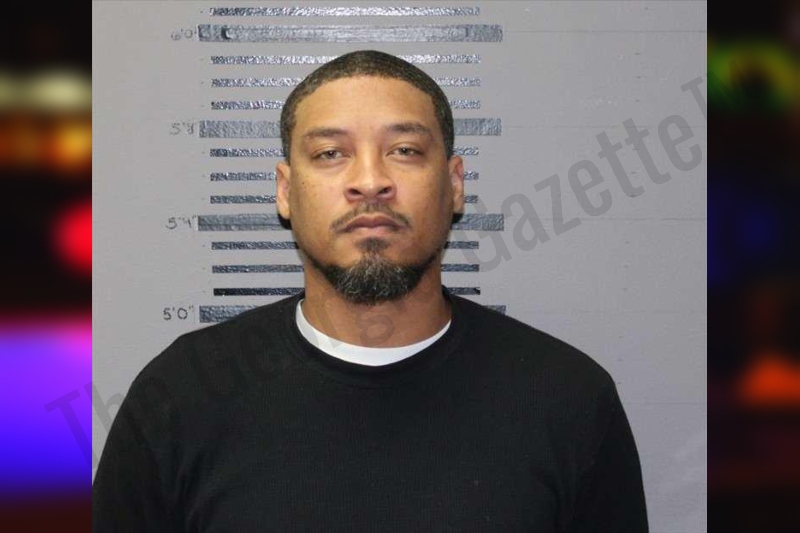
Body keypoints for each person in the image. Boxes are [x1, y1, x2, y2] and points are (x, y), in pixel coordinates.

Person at [92, 50, 648, 532]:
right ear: (285, 191)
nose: (369, 181)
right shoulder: (181, 395)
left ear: (454, 184)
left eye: (404, 150)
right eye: (330, 153)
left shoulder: (568, 400)